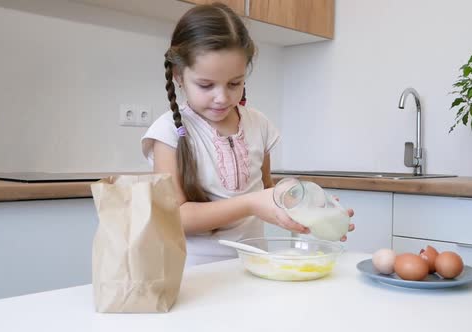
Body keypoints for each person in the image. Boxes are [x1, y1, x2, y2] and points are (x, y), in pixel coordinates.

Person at [141, 3, 354, 266]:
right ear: (178, 75)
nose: (222, 97)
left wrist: (303, 206)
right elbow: (175, 218)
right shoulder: (168, 133)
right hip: (193, 276)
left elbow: (266, 190)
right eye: (206, 85)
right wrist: (251, 203)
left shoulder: (259, 125)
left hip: (252, 266)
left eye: (234, 83)